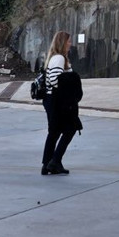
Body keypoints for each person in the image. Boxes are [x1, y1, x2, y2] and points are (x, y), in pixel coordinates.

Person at [41, 30, 83, 175]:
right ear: (62, 42)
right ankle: (54, 161)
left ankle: (47, 164)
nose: (70, 44)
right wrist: (70, 86)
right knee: (71, 128)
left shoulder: (55, 57)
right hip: (57, 100)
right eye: (69, 41)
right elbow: (54, 80)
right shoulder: (59, 58)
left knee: (54, 132)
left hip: (52, 99)